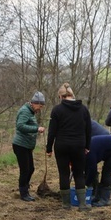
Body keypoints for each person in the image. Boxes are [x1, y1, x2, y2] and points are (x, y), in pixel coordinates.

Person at [45, 83, 92, 211]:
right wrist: (87, 146)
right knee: (79, 173)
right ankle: (82, 204)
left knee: (64, 173)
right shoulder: (83, 109)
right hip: (79, 145)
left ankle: (66, 205)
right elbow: (89, 129)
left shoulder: (57, 110)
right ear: (72, 95)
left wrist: (48, 148)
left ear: (61, 96)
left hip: (62, 146)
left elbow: (52, 131)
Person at [12, 91, 46, 202]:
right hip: (20, 145)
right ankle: (23, 193)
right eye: (39, 106)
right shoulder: (25, 111)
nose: (40, 108)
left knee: (31, 168)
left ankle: (25, 188)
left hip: (26, 146)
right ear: (34, 103)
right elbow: (20, 126)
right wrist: (36, 129)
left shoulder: (30, 112)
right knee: (25, 170)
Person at [85, 134, 111, 207]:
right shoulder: (83, 151)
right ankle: (97, 196)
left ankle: (105, 199)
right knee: (97, 172)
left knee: (106, 173)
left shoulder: (88, 152)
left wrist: (86, 184)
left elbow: (92, 171)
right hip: (109, 149)